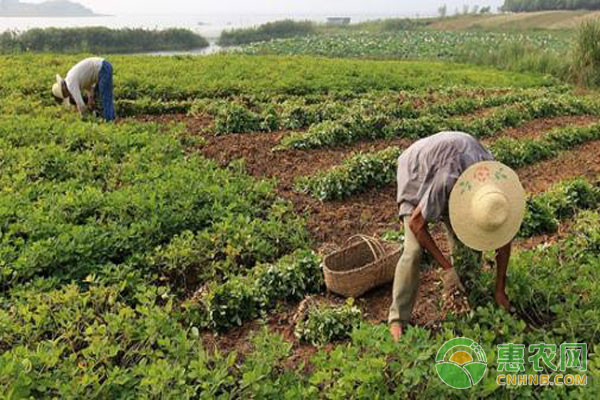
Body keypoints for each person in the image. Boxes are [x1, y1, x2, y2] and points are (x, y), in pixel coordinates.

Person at [389, 131, 526, 342]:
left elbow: (503, 242)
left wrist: (500, 290)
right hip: (416, 170)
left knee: (468, 244)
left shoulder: (494, 194)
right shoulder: (446, 182)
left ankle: (464, 295)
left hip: (454, 161)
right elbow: (417, 223)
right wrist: (447, 269)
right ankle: (397, 319)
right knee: (413, 250)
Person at [52, 57, 115, 122]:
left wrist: (84, 117)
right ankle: (105, 117)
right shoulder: (71, 78)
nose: (68, 95)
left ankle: (110, 121)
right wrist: (90, 100)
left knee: (105, 98)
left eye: (65, 95)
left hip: (102, 68)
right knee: (98, 97)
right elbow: (89, 89)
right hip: (102, 66)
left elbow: (81, 105)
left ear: (64, 90)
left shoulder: (70, 85)